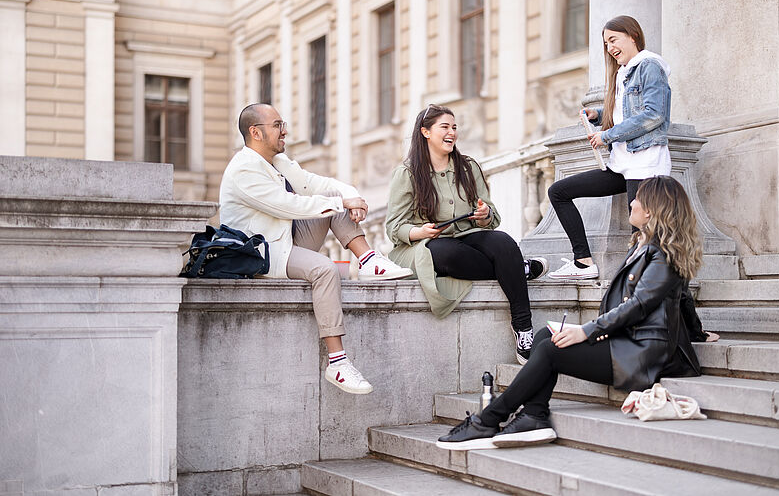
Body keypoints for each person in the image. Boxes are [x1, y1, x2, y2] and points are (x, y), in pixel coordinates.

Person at [436, 175, 703, 450]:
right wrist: (700, 333)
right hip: (629, 342)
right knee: (544, 335)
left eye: (638, 199)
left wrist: (585, 331)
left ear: (651, 211)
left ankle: (488, 420)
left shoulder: (661, 256)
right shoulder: (643, 246)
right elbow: (682, 300)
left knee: (552, 350)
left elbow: (638, 306)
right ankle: (533, 415)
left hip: (643, 354)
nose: (631, 202)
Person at [219, 103, 412, 395]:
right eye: (277, 125)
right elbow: (286, 205)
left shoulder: (277, 160)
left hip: (286, 239)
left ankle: (370, 260)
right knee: (324, 269)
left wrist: (350, 196)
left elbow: (312, 185)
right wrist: (340, 203)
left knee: (329, 196)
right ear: (255, 132)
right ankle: (337, 362)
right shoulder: (243, 169)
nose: (285, 130)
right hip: (260, 254)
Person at [385, 104, 548, 365]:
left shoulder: (468, 167)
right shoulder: (407, 174)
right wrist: (419, 231)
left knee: (504, 242)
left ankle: (523, 327)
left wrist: (484, 214)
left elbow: (491, 214)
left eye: (454, 127)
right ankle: (517, 270)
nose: (452, 132)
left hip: (467, 233)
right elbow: (394, 227)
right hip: (427, 243)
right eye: (444, 127)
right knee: (448, 253)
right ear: (426, 132)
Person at [547, 15, 672, 280]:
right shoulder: (625, 72)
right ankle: (583, 262)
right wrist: (600, 115)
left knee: (642, 241)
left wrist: (608, 135)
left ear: (633, 36)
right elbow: (627, 112)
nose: (610, 47)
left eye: (613, 39)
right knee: (559, 191)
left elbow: (653, 114)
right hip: (622, 164)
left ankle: (649, 300)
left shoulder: (649, 66)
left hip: (645, 164)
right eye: (606, 43)